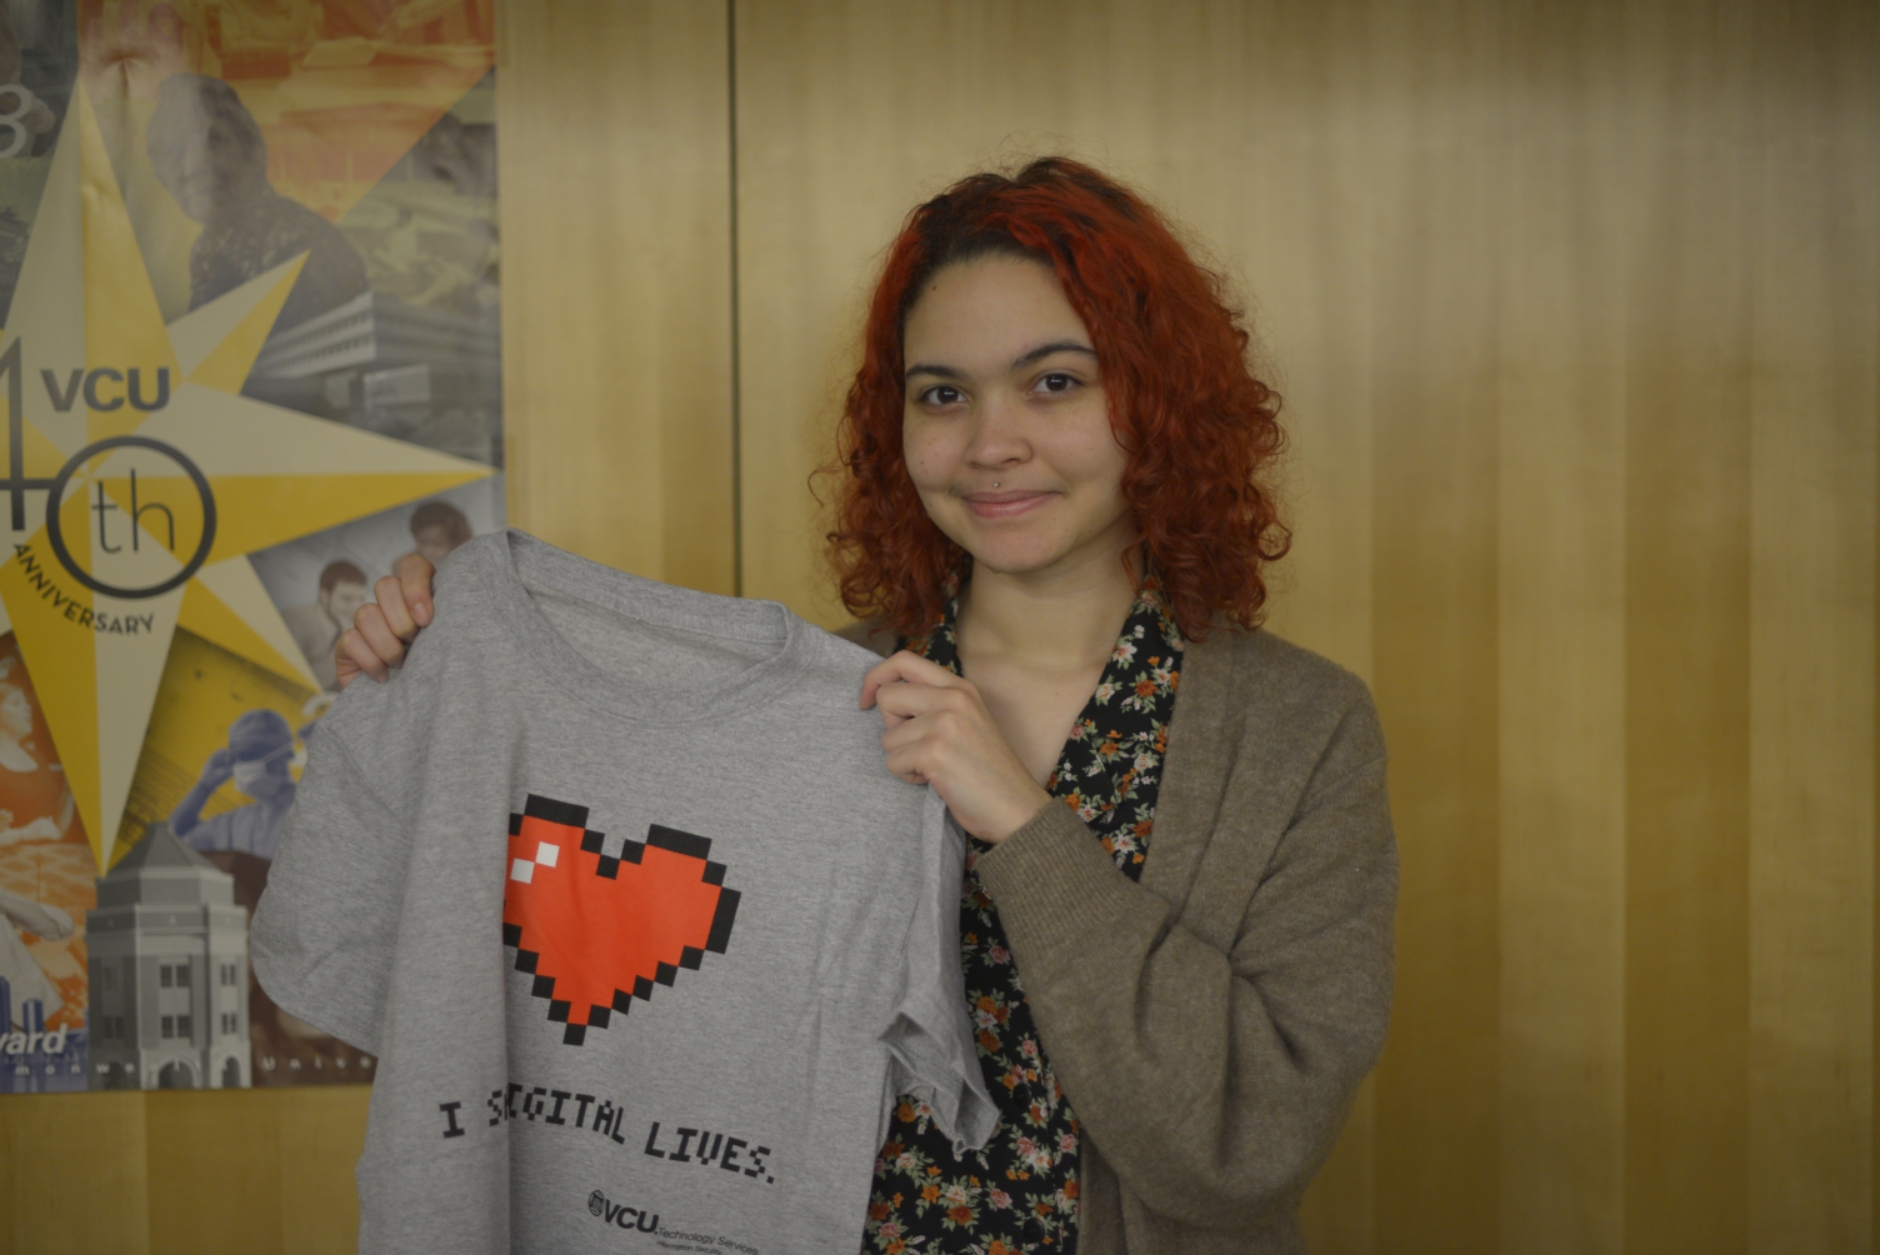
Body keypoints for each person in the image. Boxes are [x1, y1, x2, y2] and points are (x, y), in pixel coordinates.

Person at [337, 158, 1397, 1254]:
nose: (989, 443)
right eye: (942, 393)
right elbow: (580, 976)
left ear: (1158, 400)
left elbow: (1247, 1144)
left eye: (1054, 382)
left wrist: (1024, 827)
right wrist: (422, 683)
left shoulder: (1298, 731)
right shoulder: (797, 709)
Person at [146, 73, 369, 331]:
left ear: (251, 149)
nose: (197, 165)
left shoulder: (298, 240)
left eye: (214, 139)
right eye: (174, 150)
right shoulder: (208, 249)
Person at [169, 709, 298, 862]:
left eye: (249, 755)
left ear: (286, 754)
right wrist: (204, 786)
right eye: (236, 758)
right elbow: (172, 840)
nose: (241, 765)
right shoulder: (234, 824)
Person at [283, 560, 371, 692]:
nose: (355, 607)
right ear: (324, 595)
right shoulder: (296, 621)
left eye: (360, 599)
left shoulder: (344, 626)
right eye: (347, 598)